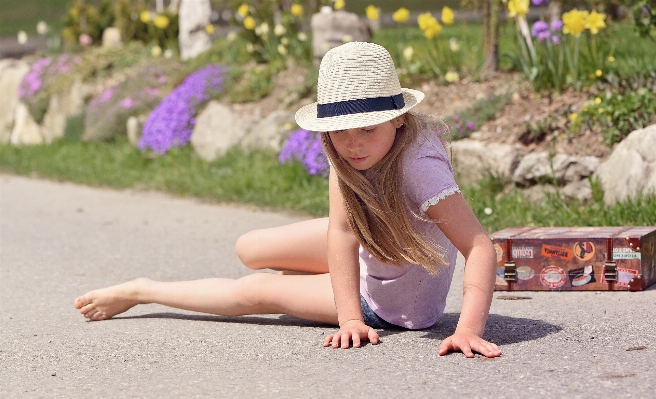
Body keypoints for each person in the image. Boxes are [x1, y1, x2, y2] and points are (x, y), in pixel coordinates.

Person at [74, 42, 501, 358]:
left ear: (398, 119)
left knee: (254, 290)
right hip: (376, 244)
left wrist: (358, 318)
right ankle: (311, 282)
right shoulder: (351, 151)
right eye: (341, 130)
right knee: (250, 247)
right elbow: (340, 231)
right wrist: (344, 307)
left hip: (391, 300)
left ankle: (144, 290)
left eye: (367, 128)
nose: (353, 144)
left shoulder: (419, 168)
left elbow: (480, 245)